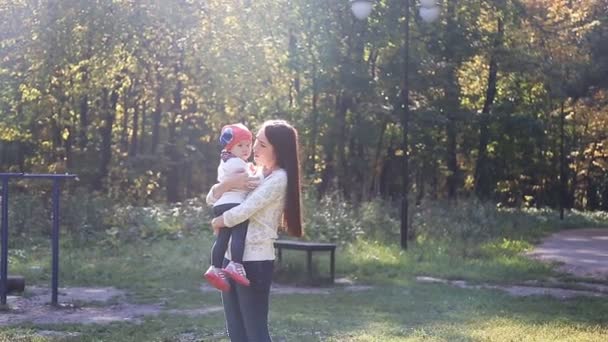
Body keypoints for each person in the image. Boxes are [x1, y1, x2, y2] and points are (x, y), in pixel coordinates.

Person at [206, 119, 303, 342]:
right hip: (230, 259)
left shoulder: (279, 179)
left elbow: (244, 210)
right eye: (255, 142)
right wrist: (228, 184)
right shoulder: (254, 173)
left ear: (278, 149)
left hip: (254, 262)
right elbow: (211, 197)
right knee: (236, 332)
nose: (253, 149)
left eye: (261, 145)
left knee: (255, 332)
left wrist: (218, 221)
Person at [204, 123, 262, 291]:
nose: (246, 149)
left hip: (221, 203)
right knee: (239, 235)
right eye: (240, 145)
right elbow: (252, 182)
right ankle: (235, 264)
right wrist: (260, 174)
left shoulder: (226, 162)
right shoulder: (237, 163)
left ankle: (215, 267)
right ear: (230, 147)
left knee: (222, 238)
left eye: (248, 145)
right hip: (234, 203)